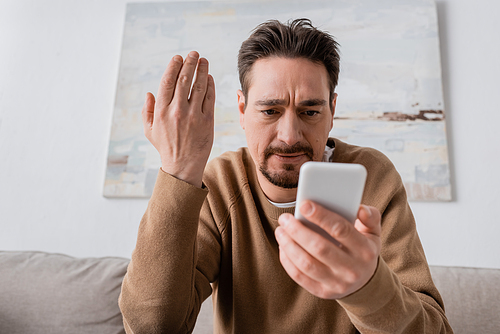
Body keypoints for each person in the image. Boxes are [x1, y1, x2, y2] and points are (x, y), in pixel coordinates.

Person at [119, 19, 453, 333]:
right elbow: (152, 326)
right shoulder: (219, 184)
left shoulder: (372, 178)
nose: (290, 135)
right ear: (242, 110)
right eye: (270, 111)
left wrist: (367, 288)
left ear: (332, 111)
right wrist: (178, 171)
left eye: (310, 111)